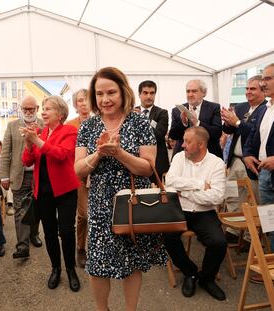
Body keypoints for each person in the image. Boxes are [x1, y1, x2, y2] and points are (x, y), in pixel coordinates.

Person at [74, 67, 167, 311]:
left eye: (111, 92)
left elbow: (148, 169)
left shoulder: (139, 123)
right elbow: (79, 169)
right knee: (97, 263)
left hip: (133, 203)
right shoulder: (87, 126)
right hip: (100, 204)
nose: (105, 99)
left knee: (132, 261)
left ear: (123, 92)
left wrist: (119, 153)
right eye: (99, 93)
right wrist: (98, 155)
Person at [21, 96, 80, 292]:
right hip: (43, 192)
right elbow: (27, 161)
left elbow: (61, 154)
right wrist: (30, 145)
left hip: (65, 191)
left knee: (66, 231)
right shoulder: (39, 132)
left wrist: (36, 140)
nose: (43, 112)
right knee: (49, 233)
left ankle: (71, 269)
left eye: (48, 109)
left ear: (60, 114)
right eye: (43, 109)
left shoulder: (69, 131)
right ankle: (56, 268)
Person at [243, 63, 274, 294]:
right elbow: (253, 134)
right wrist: (248, 155)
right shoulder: (264, 108)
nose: (263, 83)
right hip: (264, 174)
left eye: (268, 78)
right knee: (273, 224)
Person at [164, 126, 227, 301]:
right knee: (167, 237)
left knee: (219, 242)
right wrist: (200, 184)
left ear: (201, 144)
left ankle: (207, 279)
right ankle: (190, 272)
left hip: (204, 212)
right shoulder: (178, 157)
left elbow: (216, 197)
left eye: (187, 141)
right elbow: (170, 181)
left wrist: (183, 192)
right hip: (179, 210)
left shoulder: (216, 163)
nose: (182, 145)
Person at [0, 96, 43, 260]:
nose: (28, 111)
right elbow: (5, 153)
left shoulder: (44, 124)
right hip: (19, 174)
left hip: (39, 174)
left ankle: (34, 234)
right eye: (25, 109)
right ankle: (22, 246)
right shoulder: (12, 126)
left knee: (37, 208)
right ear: (21, 109)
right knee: (20, 210)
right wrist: (4, 175)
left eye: (31, 109)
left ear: (37, 109)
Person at [222, 75, 266, 214]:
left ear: (263, 91)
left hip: (252, 162)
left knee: (254, 199)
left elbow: (255, 134)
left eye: (253, 89)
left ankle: (250, 234)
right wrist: (228, 122)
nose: (248, 91)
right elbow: (228, 130)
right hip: (235, 161)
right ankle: (234, 231)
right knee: (232, 196)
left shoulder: (266, 109)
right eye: (246, 88)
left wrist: (237, 122)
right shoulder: (241, 107)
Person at [66, 89, 91, 268]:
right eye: (80, 101)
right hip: (78, 174)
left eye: (87, 100)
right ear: (75, 105)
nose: (83, 103)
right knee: (83, 214)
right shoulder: (70, 125)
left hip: (97, 173)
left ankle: (100, 247)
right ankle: (81, 249)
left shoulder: (100, 122)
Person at [169, 79, 223, 159]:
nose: (190, 94)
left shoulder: (214, 108)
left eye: (194, 91)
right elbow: (173, 135)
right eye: (188, 91)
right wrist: (184, 123)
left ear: (204, 93)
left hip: (209, 156)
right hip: (183, 156)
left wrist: (197, 123)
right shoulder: (177, 110)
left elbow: (217, 133)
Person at [138, 80, 170, 183]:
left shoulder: (162, 113)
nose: (149, 96)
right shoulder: (131, 112)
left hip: (157, 163)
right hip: (136, 162)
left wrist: (141, 118)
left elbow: (159, 135)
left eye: (152, 93)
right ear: (139, 94)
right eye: (145, 93)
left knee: (158, 196)